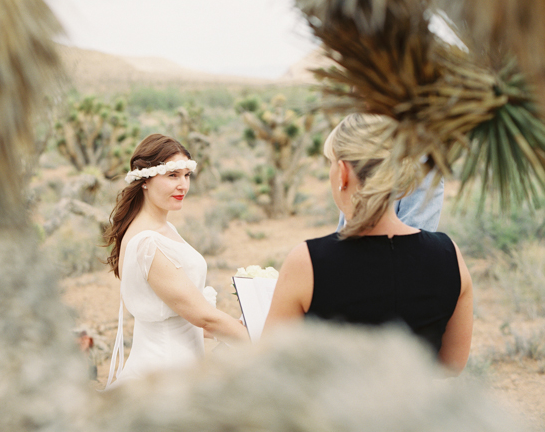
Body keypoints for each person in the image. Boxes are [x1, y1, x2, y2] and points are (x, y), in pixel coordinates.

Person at [264, 114, 473, 375]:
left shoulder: (307, 262)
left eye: (331, 163)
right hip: (417, 414)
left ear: (342, 172)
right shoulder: (449, 255)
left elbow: (272, 366)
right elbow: (452, 366)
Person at [101, 134, 248, 389]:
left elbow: (183, 317)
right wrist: (261, 343)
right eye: (172, 176)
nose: (183, 185)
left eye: (186, 175)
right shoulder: (149, 243)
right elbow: (203, 317)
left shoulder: (160, 229)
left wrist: (237, 327)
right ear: (145, 180)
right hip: (164, 377)